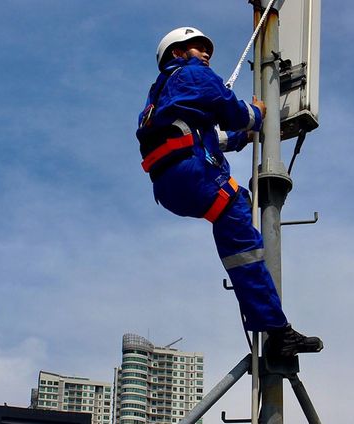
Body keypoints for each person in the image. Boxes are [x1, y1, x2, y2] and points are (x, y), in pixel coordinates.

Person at [136, 26, 322, 358]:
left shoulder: (158, 98)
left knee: (233, 233)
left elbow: (208, 137)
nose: (206, 54)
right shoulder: (192, 75)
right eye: (196, 47)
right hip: (193, 175)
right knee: (241, 227)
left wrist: (243, 138)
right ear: (177, 54)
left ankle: (272, 321)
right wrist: (258, 115)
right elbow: (234, 112)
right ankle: (277, 330)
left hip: (169, 186)